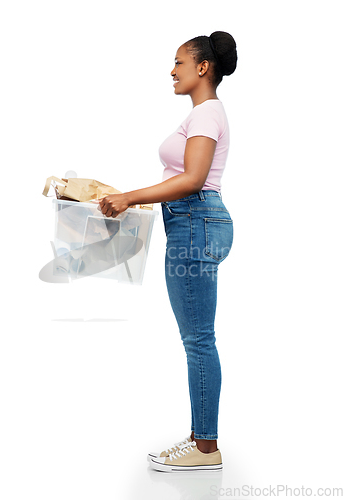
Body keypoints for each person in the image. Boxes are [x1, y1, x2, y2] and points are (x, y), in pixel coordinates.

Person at [98, 31, 237, 472]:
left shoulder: (205, 114)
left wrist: (130, 197)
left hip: (195, 220)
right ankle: (202, 438)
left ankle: (205, 448)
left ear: (203, 68)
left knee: (198, 340)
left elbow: (193, 179)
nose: (171, 71)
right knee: (198, 338)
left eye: (178, 62)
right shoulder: (204, 114)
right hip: (193, 222)